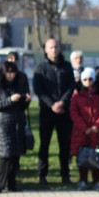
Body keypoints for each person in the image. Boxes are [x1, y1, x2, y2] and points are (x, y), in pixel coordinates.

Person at [33, 38, 75, 185]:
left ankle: (65, 175)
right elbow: (39, 90)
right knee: (44, 144)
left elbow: (71, 86)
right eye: (51, 47)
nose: (54, 50)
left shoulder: (67, 67)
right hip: (47, 111)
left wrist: (62, 102)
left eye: (56, 47)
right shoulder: (41, 68)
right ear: (46, 49)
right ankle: (42, 174)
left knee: (65, 145)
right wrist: (52, 104)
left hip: (64, 112)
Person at [0, 61, 31, 193]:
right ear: (3, 72)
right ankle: (0, 185)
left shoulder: (19, 83)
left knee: (15, 153)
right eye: (8, 72)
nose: (11, 75)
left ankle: (12, 185)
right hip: (2, 122)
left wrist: (25, 101)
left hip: (17, 120)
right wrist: (10, 100)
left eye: (13, 72)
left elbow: (22, 106)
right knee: (5, 154)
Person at [70, 68, 99, 191]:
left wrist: (97, 126)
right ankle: (82, 180)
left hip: (97, 133)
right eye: (85, 79)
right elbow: (74, 112)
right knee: (83, 156)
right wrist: (84, 127)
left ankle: (96, 180)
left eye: (90, 79)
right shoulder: (77, 96)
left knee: (96, 155)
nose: (88, 81)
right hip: (81, 132)